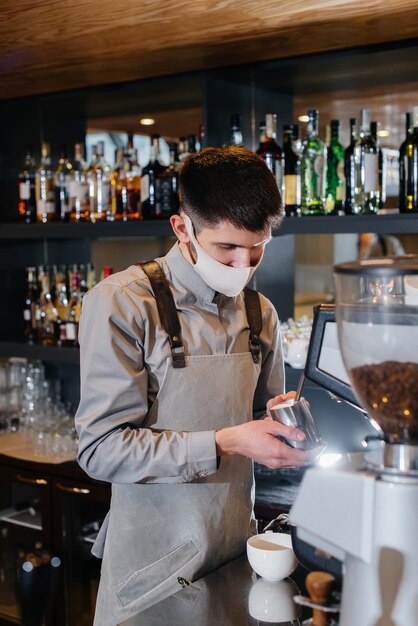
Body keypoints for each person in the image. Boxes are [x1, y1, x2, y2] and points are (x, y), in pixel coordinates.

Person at [75, 145, 323, 626]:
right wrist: (226, 441)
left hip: (234, 558)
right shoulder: (123, 303)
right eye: (226, 248)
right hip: (149, 575)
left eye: (257, 249)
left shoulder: (260, 312)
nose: (242, 265)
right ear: (182, 227)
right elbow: (100, 450)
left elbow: (257, 423)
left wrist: (284, 427)